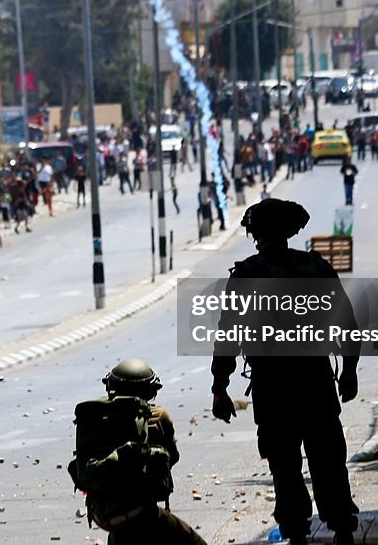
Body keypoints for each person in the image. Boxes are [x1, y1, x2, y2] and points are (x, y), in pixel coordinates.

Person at [211, 199, 360, 545]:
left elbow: (228, 335)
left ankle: (296, 535)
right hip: (316, 381)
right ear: (291, 231)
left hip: (273, 387)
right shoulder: (316, 268)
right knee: (328, 459)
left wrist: (220, 386)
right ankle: (342, 530)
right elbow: (348, 324)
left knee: (285, 466)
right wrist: (349, 370)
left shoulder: (246, 275)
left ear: (255, 234)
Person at [76, 359, 206, 545]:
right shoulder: (157, 415)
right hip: (139, 511)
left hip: (100, 513)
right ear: (149, 391)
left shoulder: (95, 416)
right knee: (193, 541)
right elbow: (172, 457)